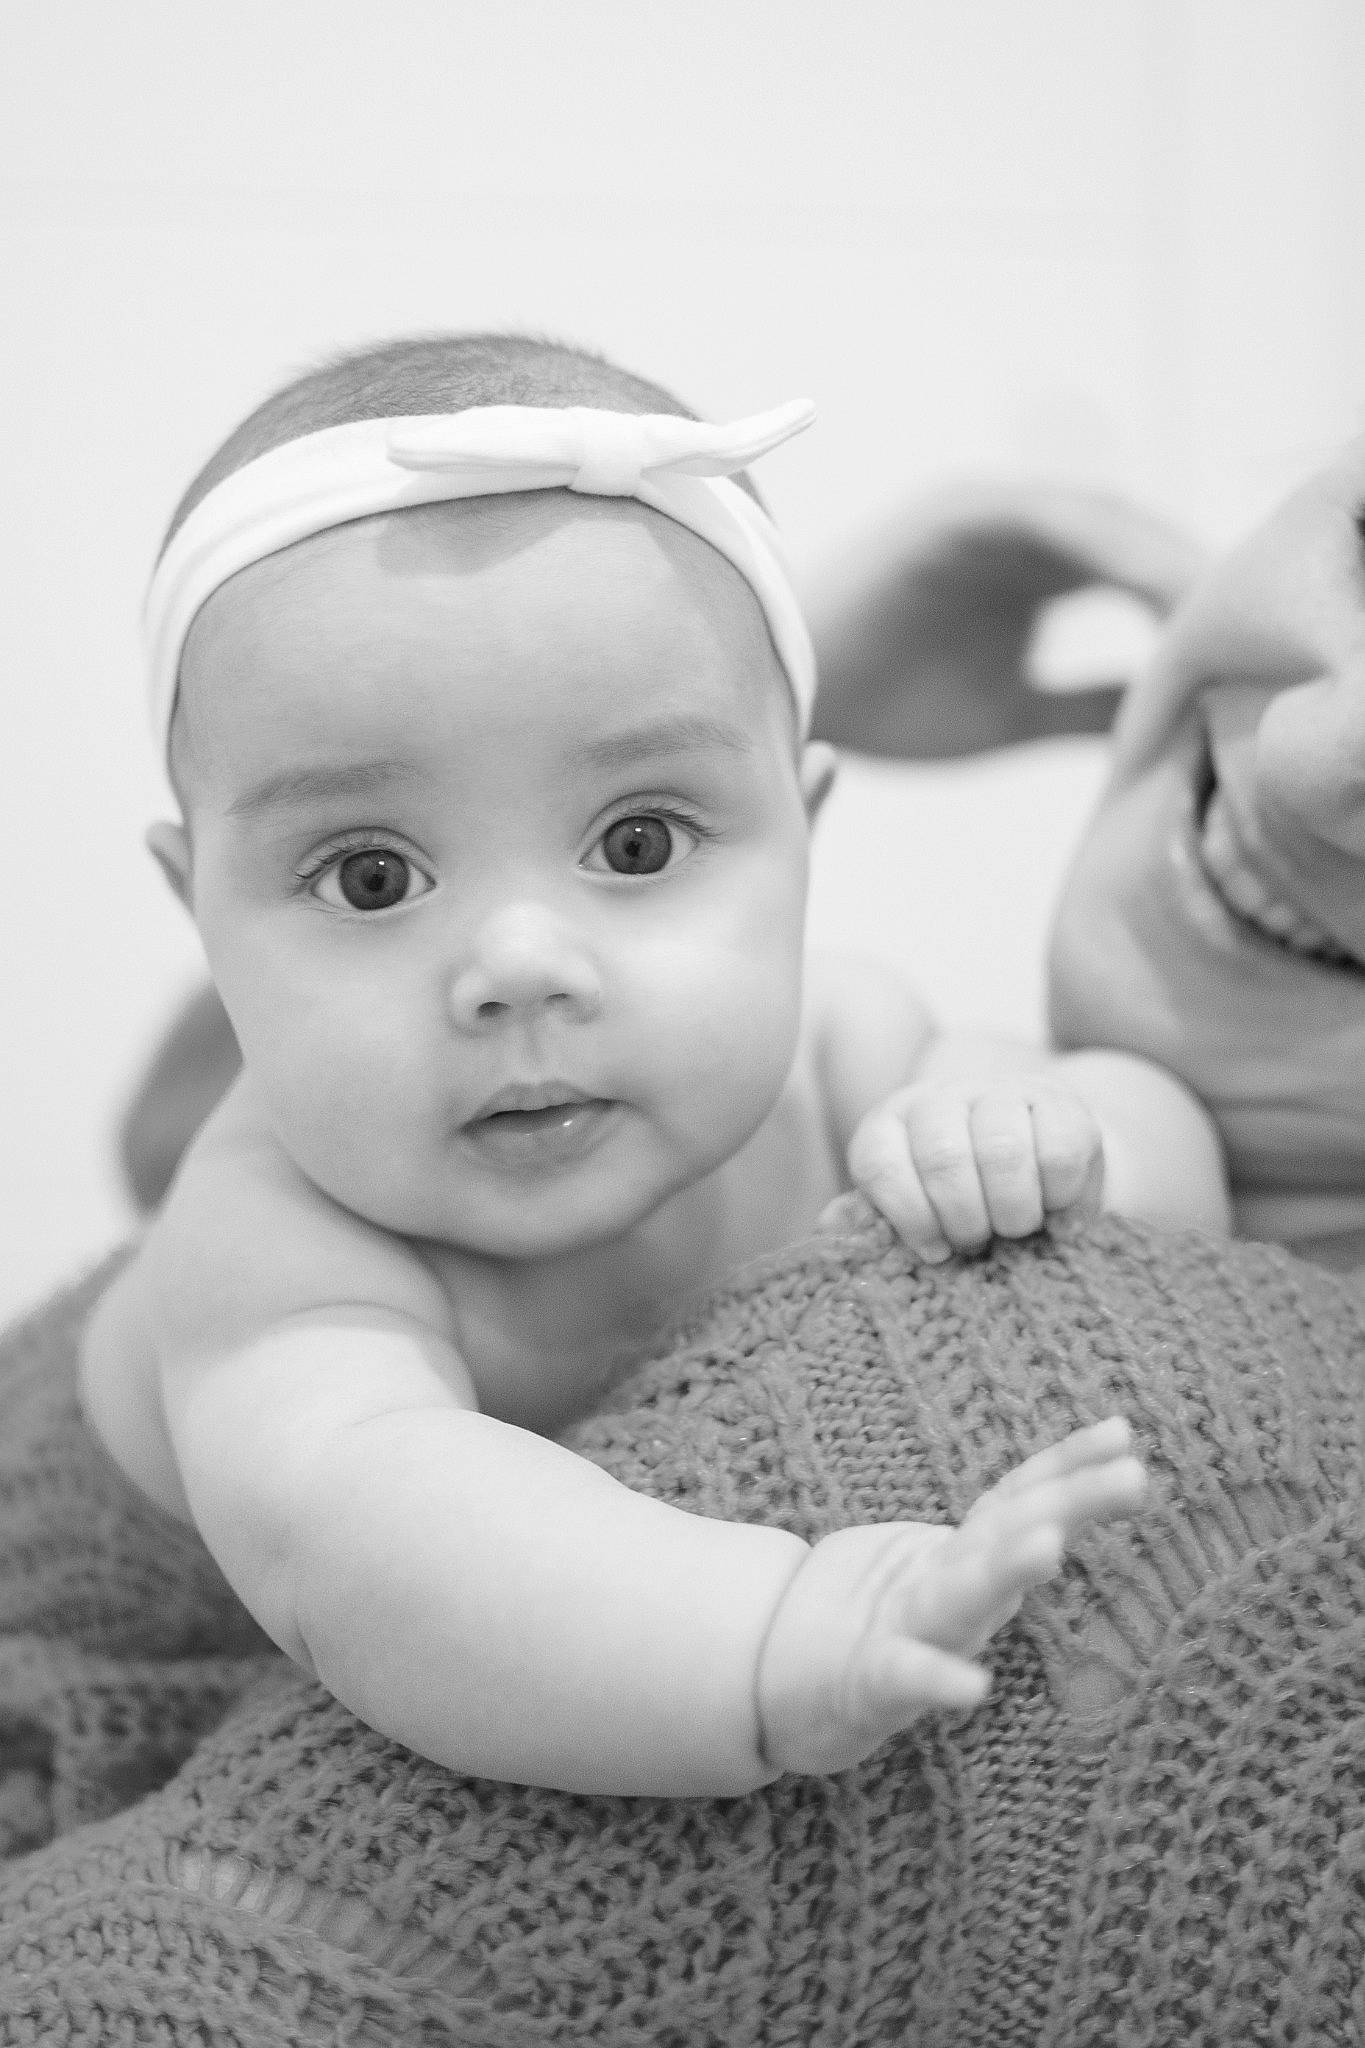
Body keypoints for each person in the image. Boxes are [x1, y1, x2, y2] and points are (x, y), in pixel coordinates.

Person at [80, 332, 1227, 1802]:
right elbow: (372, 1546)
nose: (519, 965)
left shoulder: (842, 1043)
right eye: (369, 876)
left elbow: (1164, 1160)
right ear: (198, 910)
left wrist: (1049, 1133)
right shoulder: (275, 1242)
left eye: (635, 844)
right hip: (151, 1611)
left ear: (805, 829)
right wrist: (766, 1635)